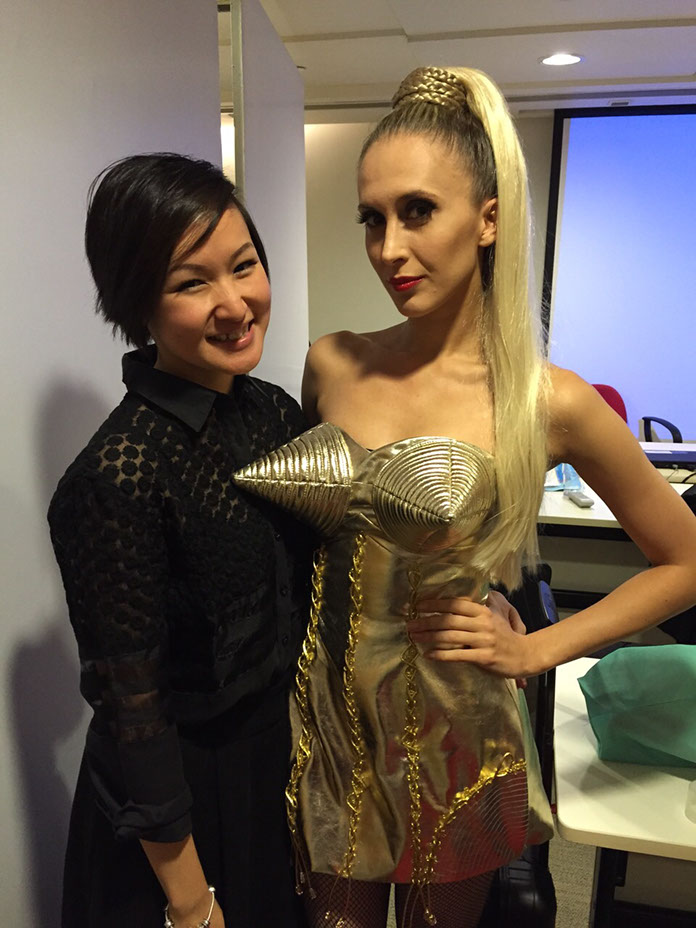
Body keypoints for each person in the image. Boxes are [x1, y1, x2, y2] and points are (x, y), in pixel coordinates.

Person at [234, 66, 696, 928]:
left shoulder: (548, 400)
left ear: (488, 219)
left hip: (457, 730)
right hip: (331, 720)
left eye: (418, 211)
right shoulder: (332, 362)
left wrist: (538, 648)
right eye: (372, 218)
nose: (389, 248)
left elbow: (687, 559)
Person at [48, 153, 314, 928]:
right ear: (138, 303)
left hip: (273, 767)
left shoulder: (271, 411)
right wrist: (193, 906)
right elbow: (135, 718)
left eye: (244, 265)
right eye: (192, 283)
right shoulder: (116, 475)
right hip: (180, 820)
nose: (235, 303)